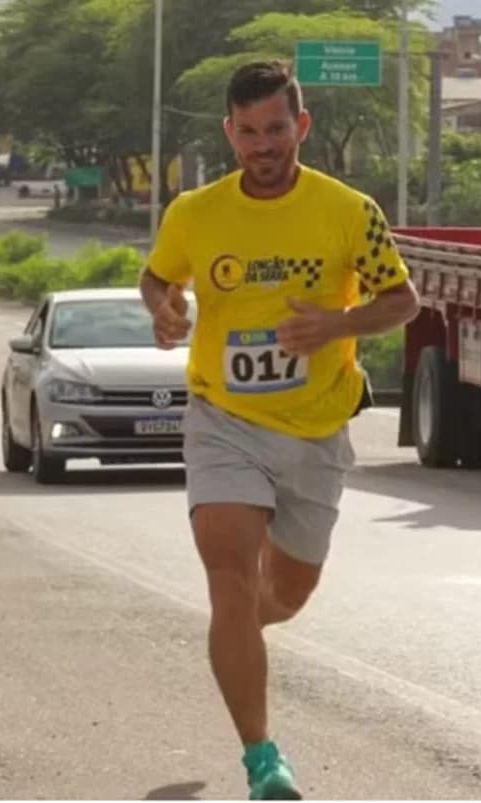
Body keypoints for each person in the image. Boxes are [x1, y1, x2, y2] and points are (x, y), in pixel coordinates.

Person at [138, 60, 419, 800]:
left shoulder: (348, 210)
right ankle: (264, 761)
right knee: (228, 582)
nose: (264, 146)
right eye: (249, 132)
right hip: (224, 421)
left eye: (277, 129)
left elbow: (404, 299)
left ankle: (238, 641)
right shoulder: (195, 212)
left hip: (317, 429)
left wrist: (340, 322)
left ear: (303, 126)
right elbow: (158, 275)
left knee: (283, 597)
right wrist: (163, 306)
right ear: (229, 133)